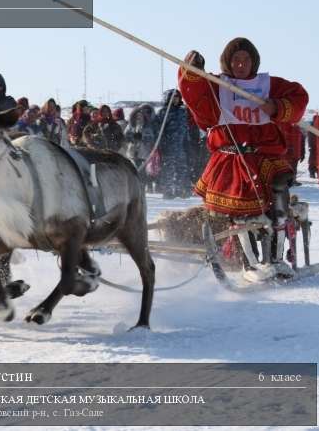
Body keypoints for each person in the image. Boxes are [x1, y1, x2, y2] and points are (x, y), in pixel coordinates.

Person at [179, 37, 308, 270]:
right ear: (228, 62)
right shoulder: (217, 86)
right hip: (230, 159)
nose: (241, 64)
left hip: (265, 158)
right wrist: (191, 70)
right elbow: (195, 96)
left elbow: (299, 97)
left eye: (246, 59)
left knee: (279, 197)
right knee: (239, 213)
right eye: (236, 59)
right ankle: (250, 264)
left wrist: (276, 106)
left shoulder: (269, 85)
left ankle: (276, 259)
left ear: (254, 61)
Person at [156, 90, 192, 198]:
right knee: (168, 170)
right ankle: (168, 191)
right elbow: (159, 130)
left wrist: (187, 143)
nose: (175, 99)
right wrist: (162, 145)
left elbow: (186, 129)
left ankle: (181, 190)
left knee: (182, 169)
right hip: (168, 147)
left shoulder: (182, 112)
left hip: (181, 146)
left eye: (177, 97)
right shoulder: (163, 112)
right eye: (173, 97)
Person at [124, 107, 156, 183]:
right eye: (137, 116)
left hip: (143, 153)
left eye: (140, 116)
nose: (139, 118)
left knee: (143, 171)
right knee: (134, 169)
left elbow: (151, 138)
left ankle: (144, 185)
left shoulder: (147, 127)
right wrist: (132, 137)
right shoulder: (131, 126)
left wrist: (142, 137)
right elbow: (125, 136)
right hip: (133, 151)